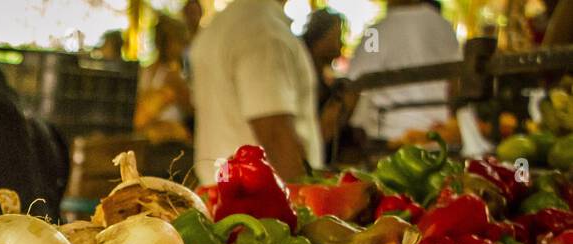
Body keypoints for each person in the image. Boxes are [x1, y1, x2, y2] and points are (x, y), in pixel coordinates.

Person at [188, 0, 321, 183]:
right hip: (260, 201)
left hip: (222, 192)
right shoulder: (263, 30)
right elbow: (275, 133)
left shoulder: (217, 26)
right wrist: (304, 199)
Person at [345, 0, 461, 145]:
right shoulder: (444, 26)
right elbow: (455, 84)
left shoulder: (376, 32)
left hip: (389, 135)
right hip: (438, 132)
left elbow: (352, 85)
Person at [302, 8, 349, 155]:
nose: (340, 45)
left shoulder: (324, 79)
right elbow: (321, 133)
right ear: (318, 38)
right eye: (337, 37)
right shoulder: (305, 75)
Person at [136, 15, 191, 131]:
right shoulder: (171, 74)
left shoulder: (147, 71)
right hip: (163, 138)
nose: (182, 48)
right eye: (179, 42)